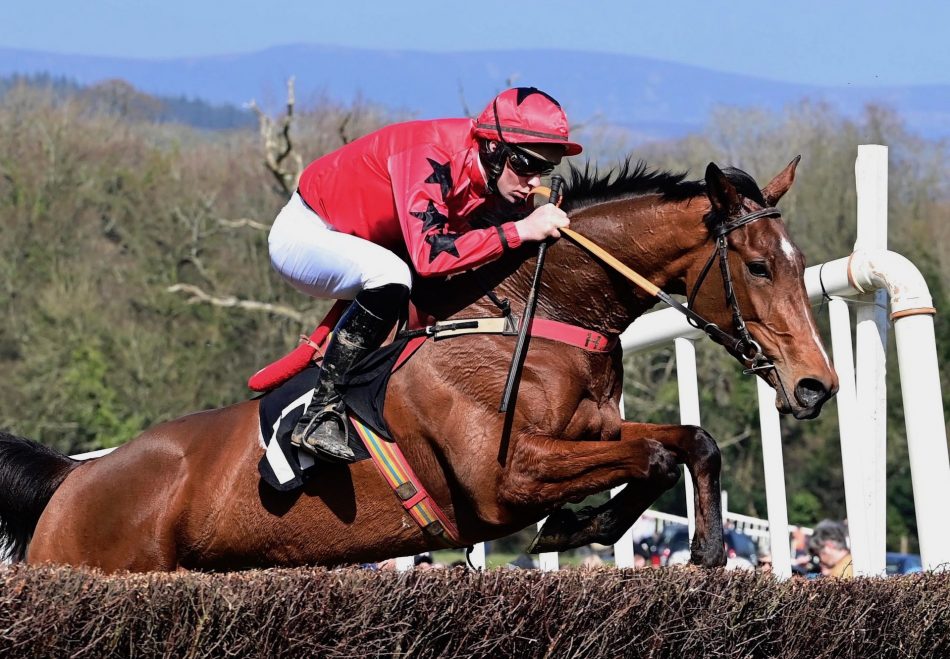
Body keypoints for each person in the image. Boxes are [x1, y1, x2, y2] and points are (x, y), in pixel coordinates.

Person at [268, 87, 582, 462]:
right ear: (493, 148)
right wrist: (519, 230)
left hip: (368, 243)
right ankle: (321, 412)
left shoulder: (494, 173)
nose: (533, 182)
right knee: (393, 275)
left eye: (543, 170)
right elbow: (429, 256)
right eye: (526, 165)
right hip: (308, 236)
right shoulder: (429, 153)